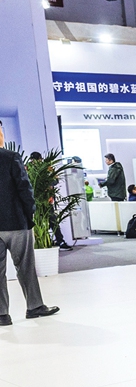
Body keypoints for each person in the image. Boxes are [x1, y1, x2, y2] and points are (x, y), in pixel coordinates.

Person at [0, 120, 60, 325]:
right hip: (16, 222)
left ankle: (2, 315)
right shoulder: (10, 157)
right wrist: (29, 214)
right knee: (25, 266)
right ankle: (34, 307)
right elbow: (25, 189)